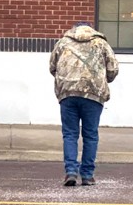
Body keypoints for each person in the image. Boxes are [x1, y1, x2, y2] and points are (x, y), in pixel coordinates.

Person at [49, 22, 118, 187]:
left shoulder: (63, 42)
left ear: (74, 30)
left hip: (68, 94)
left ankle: (71, 172)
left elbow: (52, 67)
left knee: (70, 134)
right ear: (91, 30)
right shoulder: (101, 43)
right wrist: (103, 79)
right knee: (90, 135)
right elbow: (113, 68)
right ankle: (87, 175)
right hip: (93, 94)